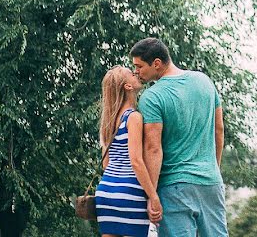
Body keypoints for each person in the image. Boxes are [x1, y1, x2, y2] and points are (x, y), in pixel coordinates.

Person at [130, 38, 228, 237]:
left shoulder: (153, 97)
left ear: (156, 63)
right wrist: (212, 169)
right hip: (210, 183)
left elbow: (153, 149)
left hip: (174, 186)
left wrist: (152, 194)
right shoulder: (204, 81)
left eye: (139, 66)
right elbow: (219, 129)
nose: (136, 72)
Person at [95, 66, 162, 237]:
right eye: (132, 74)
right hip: (129, 192)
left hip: (106, 192)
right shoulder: (133, 117)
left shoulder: (109, 121)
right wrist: (153, 196)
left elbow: (106, 163)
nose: (136, 73)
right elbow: (136, 161)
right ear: (128, 86)